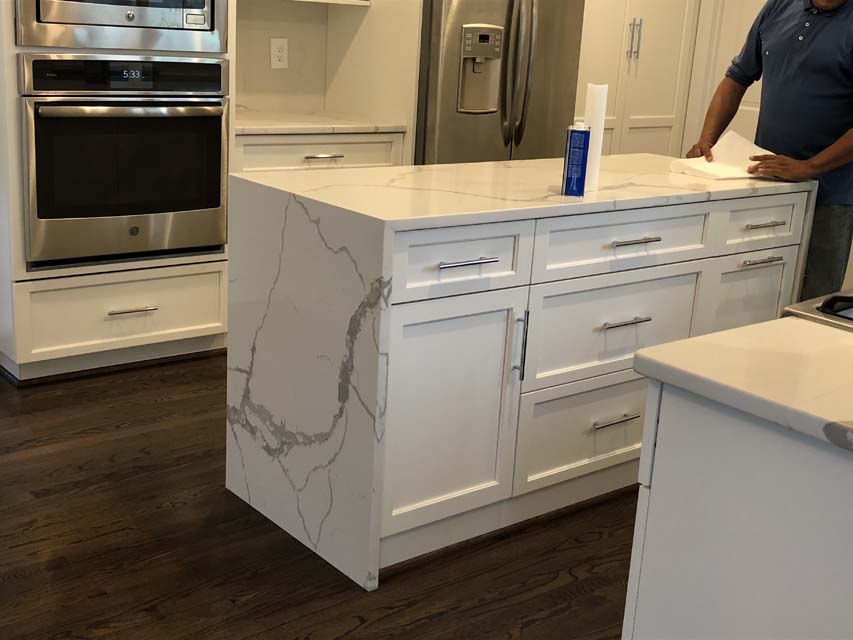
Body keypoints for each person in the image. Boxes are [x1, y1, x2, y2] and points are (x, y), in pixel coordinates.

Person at [687, 0, 853, 300]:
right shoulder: (779, 6)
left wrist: (810, 167)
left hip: (832, 195)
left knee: (813, 298)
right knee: (754, 289)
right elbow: (736, 78)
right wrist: (707, 140)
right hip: (766, 182)